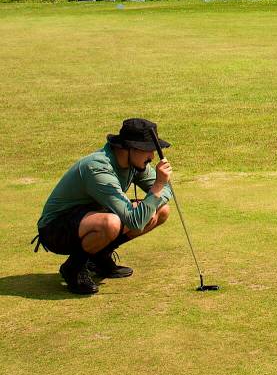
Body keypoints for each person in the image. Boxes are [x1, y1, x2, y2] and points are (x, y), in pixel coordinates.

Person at [32, 118, 174, 295]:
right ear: (129, 147)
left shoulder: (135, 163)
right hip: (55, 229)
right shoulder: (98, 167)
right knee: (112, 222)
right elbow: (137, 220)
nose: (152, 157)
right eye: (147, 150)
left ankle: (99, 257)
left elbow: (168, 190)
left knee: (160, 211)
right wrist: (159, 185)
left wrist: (159, 187)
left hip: (89, 220)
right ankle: (73, 268)